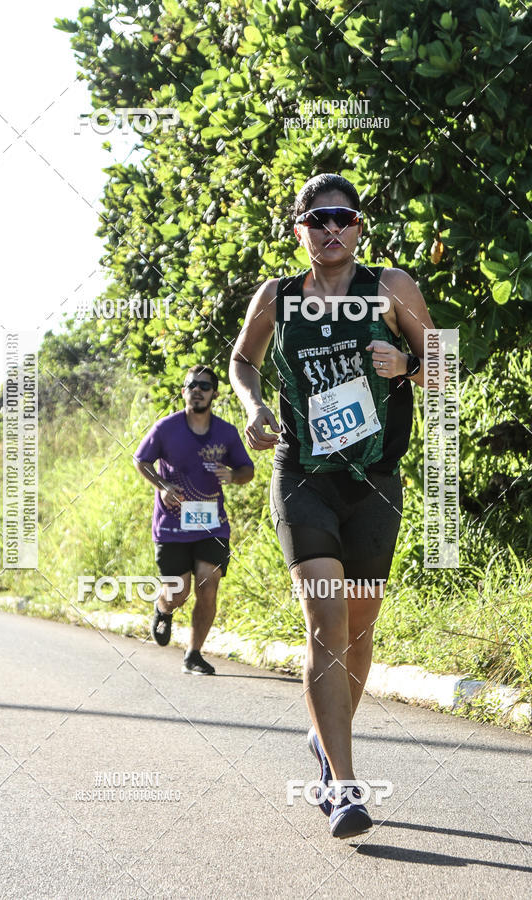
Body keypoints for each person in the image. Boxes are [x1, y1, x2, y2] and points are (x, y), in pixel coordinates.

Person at [229, 173, 434, 837]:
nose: (331, 230)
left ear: (359, 226)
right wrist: (255, 406)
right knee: (326, 623)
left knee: (360, 631)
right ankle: (344, 788)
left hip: (374, 480)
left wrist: (405, 365)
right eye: (317, 221)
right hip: (304, 477)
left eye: (342, 218)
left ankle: (325, 738)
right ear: (299, 231)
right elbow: (242, 360)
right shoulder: (278, 297)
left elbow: (445, 363)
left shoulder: (391, 288)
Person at [133, 365, 254, 675]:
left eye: (204, 385)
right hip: (172, 524)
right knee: (179, 592)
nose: (197, 390)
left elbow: (246, 470)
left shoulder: (226, 432)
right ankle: (163, 608)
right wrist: (162, 486)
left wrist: (233, 475)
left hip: (211, 522)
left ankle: (194, 653)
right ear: (184, 391)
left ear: (214, 393)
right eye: (191, 385)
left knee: (208, 583)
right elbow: (141, 460)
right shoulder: (165, 429)